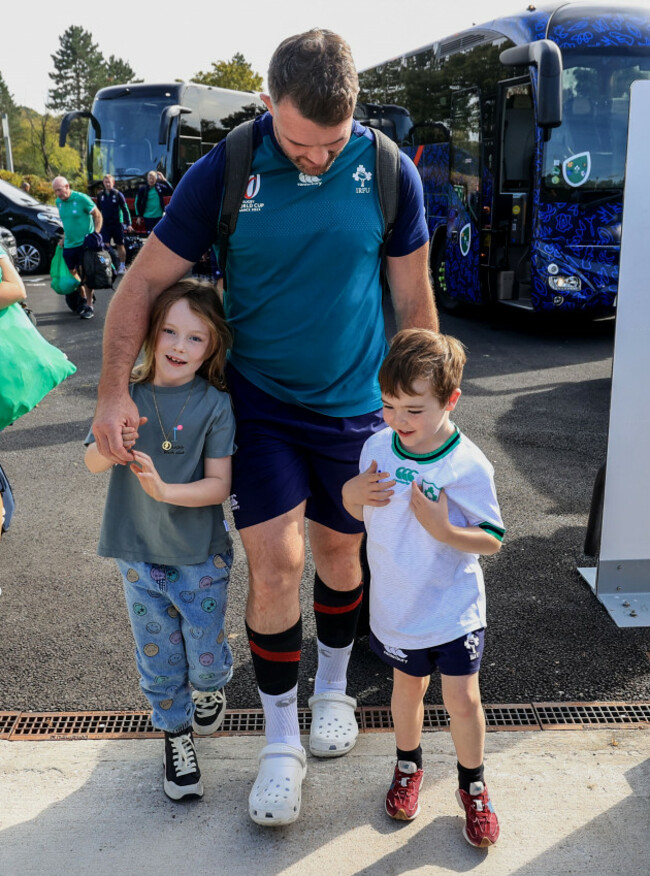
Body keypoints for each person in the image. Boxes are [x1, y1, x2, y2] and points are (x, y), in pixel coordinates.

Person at [92, 28, 438, 827]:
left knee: (341, 552)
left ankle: (331, 691)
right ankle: (280, 744)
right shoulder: (229, 167)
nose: (316, 158)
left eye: (332, 143)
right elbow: (141, 283)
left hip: (356, 404)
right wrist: (115, 394)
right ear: (265, 105)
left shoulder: (388, 170)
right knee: (276, 564)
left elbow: (415, 307)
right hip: (263, 403)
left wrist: (428, 416)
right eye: (298, 141)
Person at [342, 329, 504, 848]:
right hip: (396, 607)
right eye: (389, 405)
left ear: (451, 401)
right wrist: (350, 493)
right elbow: (356, 510)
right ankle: (408, 766)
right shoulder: (375, 446)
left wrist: (444, 530)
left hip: (454, 610)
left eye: (414, 409)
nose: (398, 420)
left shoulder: (468, 464)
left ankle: (472, 783)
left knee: (463, 700)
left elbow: (492, 539)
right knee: (405, 690)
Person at [85, 279, 236, 802]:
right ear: (151, 333)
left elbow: (220, 484)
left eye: (195, 338)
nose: (178, 346)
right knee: (159, 659)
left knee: (207, 658)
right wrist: (112, 446)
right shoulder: (124, 393)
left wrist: (165, 489)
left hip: (201, 558)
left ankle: (213, 687)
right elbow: (89, 461)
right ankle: (176, 735)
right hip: (137, 555)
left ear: (213, 346)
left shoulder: (216, 404)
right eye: (169, 331)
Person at [52, 176, 102, 320]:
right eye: (56, 191)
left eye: (60, 190)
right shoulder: (58, 202)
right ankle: (85, 294)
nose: (58, 194)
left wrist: (95, 234)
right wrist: (63, 238)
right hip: (69, 244)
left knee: (86, 274)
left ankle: (89, 305)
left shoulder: (82, 199)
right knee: (73, 273)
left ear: (67, 186)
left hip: (84, 244)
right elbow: (67, 222)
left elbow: (98, 215)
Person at [97, 174, 132, 275]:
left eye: (109, 182)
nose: (107, 184)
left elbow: (125, 210)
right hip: (105, 224)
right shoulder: (100, 195)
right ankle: (109, 265)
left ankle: (122, 266)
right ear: (103, 183)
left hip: (117, 224)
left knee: (120, 245)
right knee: (105, 246)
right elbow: (98, 211)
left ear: (113, 183)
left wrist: (128, 223)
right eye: (105, 182)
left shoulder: (118, 194)